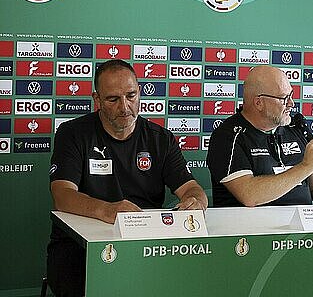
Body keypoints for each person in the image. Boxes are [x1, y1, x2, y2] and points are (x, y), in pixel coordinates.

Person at [47, 59, 208, 297]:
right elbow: (62, 195)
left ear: (139, 93)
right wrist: (107, 210)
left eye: (131, 96)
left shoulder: (160, 139)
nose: (125, 107)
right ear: (97, 100)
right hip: (79, 246)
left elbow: (191, 188)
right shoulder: (72, 133)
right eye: (113, 99)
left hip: (145, 244)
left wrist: (196, 201)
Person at [207, 65, 313, 207]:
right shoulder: (228, 136)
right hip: (252, 233)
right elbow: (249, 195)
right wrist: (305, 166)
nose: (291, 103)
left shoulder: (297, 127)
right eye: (283, 98)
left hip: (303, 230)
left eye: (291, 95)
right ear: (259, 103)